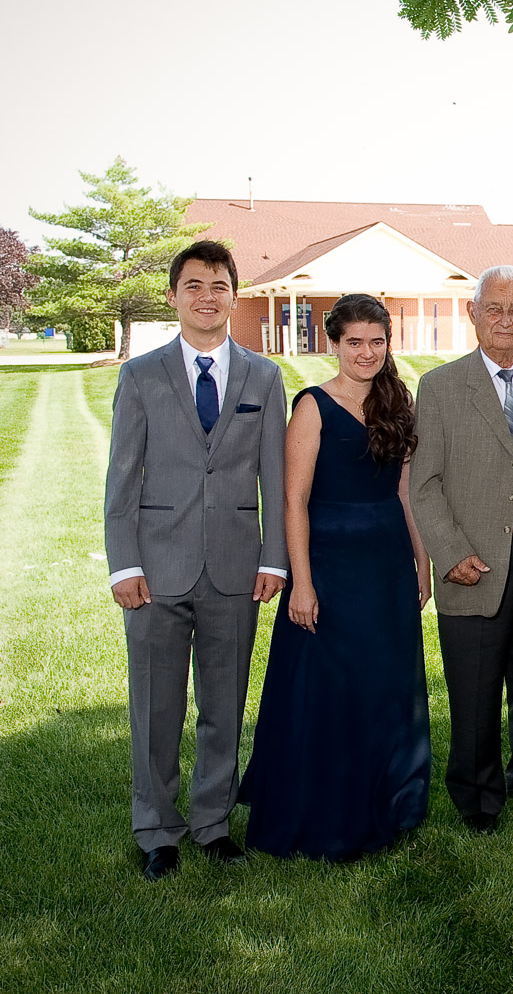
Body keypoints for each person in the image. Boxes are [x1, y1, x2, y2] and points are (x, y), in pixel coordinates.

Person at [103, 241, 289, 880]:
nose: (207, 297)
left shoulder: (263, 378)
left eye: (218, 285)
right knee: (155, 706)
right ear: (174, 296)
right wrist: (124, 565)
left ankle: (211, 822)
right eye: (194, 285)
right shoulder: (142, 376)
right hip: (155, 571)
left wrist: (276, 560)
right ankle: (156, 828)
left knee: (223, 703)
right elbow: (121, 479)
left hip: (236, 570)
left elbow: (275, 476)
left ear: (235, 296)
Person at [239, 294, 432, 859]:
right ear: (334, 344)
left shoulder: (399, 401)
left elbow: (404, 490)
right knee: (332, 688)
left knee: (385, 685)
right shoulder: (313, 407)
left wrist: (420, 560)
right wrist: (301, 581)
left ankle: (390, 800)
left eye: (377, 342)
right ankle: (325, 808)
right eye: (355, 342)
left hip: (387, 563)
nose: (366, 353)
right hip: (329, 566)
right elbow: (292, 501)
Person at [409, 265, 513, 832]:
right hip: (473, 562)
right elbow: (423, 483)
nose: (505, 321)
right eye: (494, 309)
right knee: (474, 688)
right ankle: (477, 796)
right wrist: (448, 551)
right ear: (473, 314)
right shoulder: (439, 387)